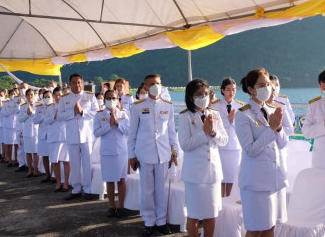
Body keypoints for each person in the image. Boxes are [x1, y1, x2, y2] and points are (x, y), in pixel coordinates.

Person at [235, 68, 288, 237]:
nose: (267, 88)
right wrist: (271, 128)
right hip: (256, 182)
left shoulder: (272, 109)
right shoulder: (243, 114)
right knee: (256, 229)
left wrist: (278, 129)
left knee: (270, 227)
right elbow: (250, 150)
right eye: (262, 85)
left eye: (268, 84)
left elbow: (283, 143)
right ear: (251, 89)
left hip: (274, 178)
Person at [128, 74, 178, 236]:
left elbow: (171, 132)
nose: (154, 86)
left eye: (157, 83)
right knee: (147, 190)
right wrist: (131, 155)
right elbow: (132, 134)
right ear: (145, 87)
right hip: (144, 154)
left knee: (161, 190)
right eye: (151, 84)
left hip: (163, 154)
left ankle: (161, 221)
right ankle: (149, 221)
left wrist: (174, 151)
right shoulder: (137, 106)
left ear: (161, 84)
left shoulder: (168, 105)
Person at [178, 78, 228, 237]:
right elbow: (185, 145)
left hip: (212, 173)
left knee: (211, 213)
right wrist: (204, 132)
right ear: (191, 97)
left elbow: (224, 140)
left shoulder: (215, 113)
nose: (203, 97)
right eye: (199, 94)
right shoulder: (185, 116)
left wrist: (213, 132)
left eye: (206, 93)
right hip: (194, 175)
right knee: (193, 213)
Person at [58, 73, 98, 201]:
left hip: (86, 135)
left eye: (79, 82)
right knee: (74, 164)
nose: (77, 85)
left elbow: (96, 113)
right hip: (71, 135)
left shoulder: (90, 96)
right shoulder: (64, 98)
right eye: (74, 82)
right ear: (70, 84)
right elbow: (60, 116)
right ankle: (76, 189)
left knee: (87, 164)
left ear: (83, 82)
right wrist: (72, 112)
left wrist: (82, 112)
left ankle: (88, 189)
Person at [94, 90, 129, 218]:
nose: (111, 100)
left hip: (121, 151)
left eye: (113, 98)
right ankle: (111, 206)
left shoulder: (123, 114)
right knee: (109, 180)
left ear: (118, 100)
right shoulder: (99, 115)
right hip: (107, 151)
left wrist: (117, 123)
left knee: (121, 179)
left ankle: (121, 206)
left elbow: (128, 130)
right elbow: (96, 133)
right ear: (104, 100)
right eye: (108, 98)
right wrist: (109, 125)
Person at [211, 77, 245, 197]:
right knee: (220, 179)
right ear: (223, 90)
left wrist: (232, 121)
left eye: (234, 90)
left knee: (232, 179)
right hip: (220, 146)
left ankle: (228, 203)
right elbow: (214, 126)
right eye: (228, 89)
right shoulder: (214, 106)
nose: (231, 92)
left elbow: (243, 127)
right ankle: (221, 207)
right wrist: (227, 120)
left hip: (235, 147)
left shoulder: (241, 106)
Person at [44, 87, 70, 192]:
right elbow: (45, 120)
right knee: (55, 161)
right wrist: (53, 117)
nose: (58, 97)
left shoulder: (67, 106)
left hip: (64, 136)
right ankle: (59, 182)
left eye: (60, 95)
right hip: (54, 136)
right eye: (56, 95)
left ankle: (66, 182)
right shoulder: (50, 107)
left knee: (66, 161)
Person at [18, 89, 40, 177]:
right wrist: (27, 113)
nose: (30, 96)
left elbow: (40, 117)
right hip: (27, 131)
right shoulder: (23, 106)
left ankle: (36, 169)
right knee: (28, 152)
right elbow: (20, 119)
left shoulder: (38, 105)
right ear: (26, 96)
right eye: (28, 95)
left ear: (34, 95)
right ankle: (30, 169)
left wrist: (32, 112)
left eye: (32, 94)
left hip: (35, 131)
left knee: (35, 152)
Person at [33, 90, 52, 182]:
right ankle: (47, 174)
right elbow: (35, 120)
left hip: (53, 134)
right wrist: (43, 117)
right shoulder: (39, 108)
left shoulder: (55, 107)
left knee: (53, 156)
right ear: (42, 98)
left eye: (49, 97)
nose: (47, 99)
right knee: (45, 156)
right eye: (45, 97)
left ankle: (54, 175)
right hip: (43, 135)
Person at [0, 89, 20, 167]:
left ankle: (16, 159)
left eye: (14, 94)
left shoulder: (18, 102)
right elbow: (3, 113)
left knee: (16, 144)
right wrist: (11, 111)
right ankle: (9, 159)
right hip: (7, 126)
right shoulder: (6, 103)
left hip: (16, 125)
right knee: (8, 144)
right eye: (11, 94)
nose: (12, 95)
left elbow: (18, 111)